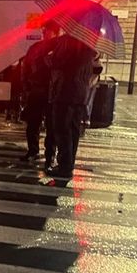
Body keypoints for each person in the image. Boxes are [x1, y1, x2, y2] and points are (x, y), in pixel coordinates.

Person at [46, 34, 100, 179]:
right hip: (80, 95)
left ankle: (64, 167)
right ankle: (68, 164)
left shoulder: (70, 44)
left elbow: (57, 63)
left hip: (65, 92)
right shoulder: (88, 48)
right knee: (73, 132)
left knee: (62, 131)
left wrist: (51, 57)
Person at [19, 21, 60, 164]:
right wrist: (26, 86)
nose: (44, 33)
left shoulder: (59, 48)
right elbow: (26, 67)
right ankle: (33, 150)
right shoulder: (36, 48)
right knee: (33, 123)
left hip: (52, 92)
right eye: (44, 30)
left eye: (47, 30)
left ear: (55, 32)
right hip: (37, 90)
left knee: (52, 125)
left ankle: (50, 155)